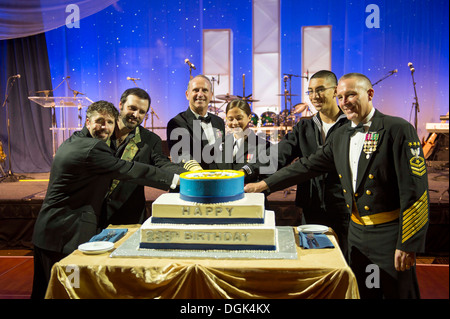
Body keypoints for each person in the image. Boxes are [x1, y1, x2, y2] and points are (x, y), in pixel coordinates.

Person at [245, 73, 429, 299]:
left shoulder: (397, 129)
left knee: (397, 292)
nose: (345, 101)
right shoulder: (341, 134)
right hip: (355, 232)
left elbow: (415, 192)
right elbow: (306, 166)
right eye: (341, 96)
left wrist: (408, 243)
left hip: (386, 233)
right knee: (362, 291)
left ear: (370, 94)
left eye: (351, 94)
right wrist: (262, 184)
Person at [31, 101, 180, 299]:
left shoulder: (75, 140)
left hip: (50, 232)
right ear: (87, 122)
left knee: (44, 292)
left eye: (110, 122)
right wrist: (176, 180)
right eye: (99, 121)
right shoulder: (91, 149)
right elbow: (130, 170)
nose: (105, 127)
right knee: (67, 292)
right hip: (64, 235)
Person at [259, 70, 350, 255]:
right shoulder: (304, 126)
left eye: (321, 90)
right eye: (310, 91)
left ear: (335, 91)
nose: (315, 96)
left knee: (345, 262)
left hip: (344, 208)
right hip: (311, 207)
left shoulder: (350, 125)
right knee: (315, 259)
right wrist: (246, 173)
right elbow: (278, 155)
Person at [101, 88, 187, 227]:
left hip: (128, 217)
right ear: (121, 105)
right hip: (93, 215)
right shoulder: (101, 130)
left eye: (142, 112)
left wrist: (190, 175)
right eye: (132, 108)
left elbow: (163, 164)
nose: (136, 115)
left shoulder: (150, 140)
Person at [167, 75, 225, 169]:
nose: (200, 94)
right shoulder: (177, 122)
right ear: (187, 95)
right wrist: (200, 174)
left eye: (205, 90)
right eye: (196, 90)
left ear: (211, 95)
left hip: (221, 179)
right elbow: (181, 154)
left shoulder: (219, 121)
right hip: (195, 179)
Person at [209, 99, 273, 183]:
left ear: (249, 117)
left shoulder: (265, 147)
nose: (235, 123)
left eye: (239, 118)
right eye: (230, 119)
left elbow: (267, 181)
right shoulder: (218, 145)